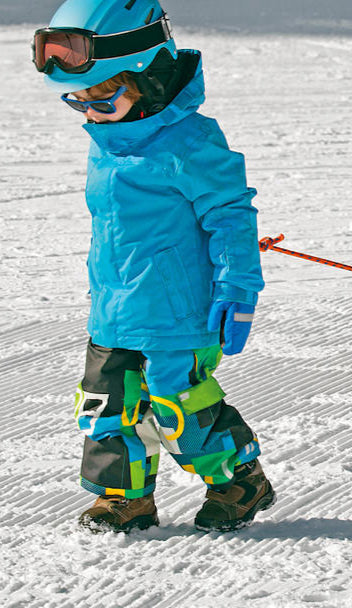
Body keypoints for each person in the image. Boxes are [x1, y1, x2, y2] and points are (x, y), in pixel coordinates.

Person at [32, 0, 275, 533]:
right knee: (104, 409)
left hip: (178, 314)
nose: (91, 114)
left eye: (103, 99)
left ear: (146, 78)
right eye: (78, 103)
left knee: (177, 407)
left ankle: (239, 479)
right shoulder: (107, 144)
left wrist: (238, 288)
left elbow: (231, 215)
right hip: (114, 312)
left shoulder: (191, 141)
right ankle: (124, 499)